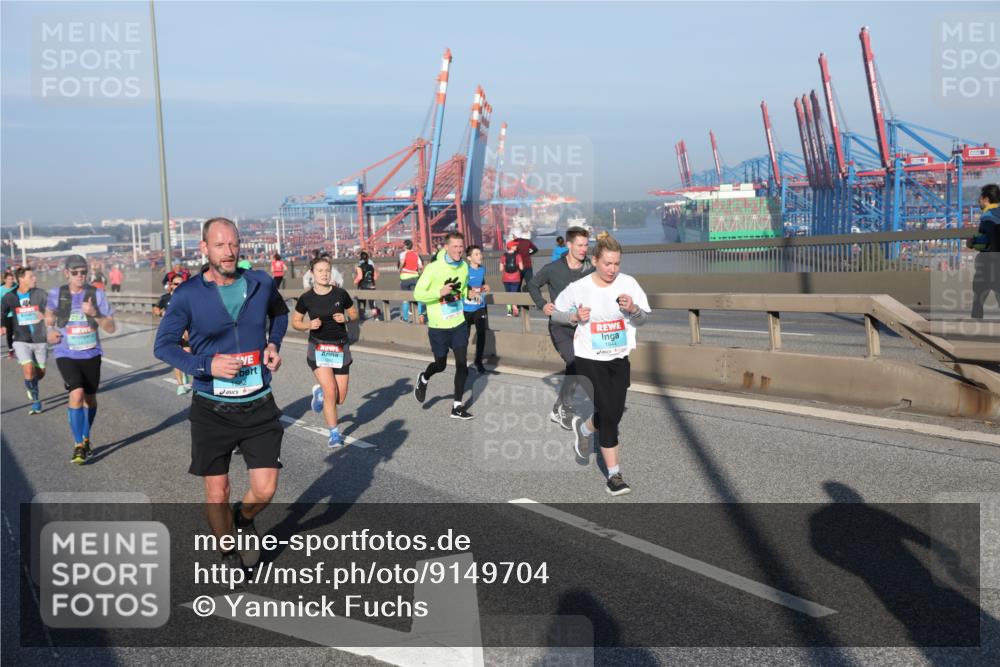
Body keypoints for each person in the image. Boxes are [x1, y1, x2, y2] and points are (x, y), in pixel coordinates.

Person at [154, 217, 288, 573]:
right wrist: (205, 365)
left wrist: (273, 343)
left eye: (234, 244)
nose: (229, 252)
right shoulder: (187, 295)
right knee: (217, 492)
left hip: (258, 403)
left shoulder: (259, 282)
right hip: (212, 408)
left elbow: (281, 314)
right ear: (204, 249)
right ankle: (227, 552)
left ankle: (243, 519)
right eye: (220, 245)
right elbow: (163, 346)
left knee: (264, 491)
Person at [552, 232, 650, 496]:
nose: (612, 269)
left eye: (617, 264)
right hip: (589, 359)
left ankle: (583, 429)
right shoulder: (580, 287)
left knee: (614, 412)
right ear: (595, 260)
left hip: (618, 358)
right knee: (609, 416)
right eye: (607, 263)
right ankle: (614, 476)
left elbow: (643, 319)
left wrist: (633, 310)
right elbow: (555, 313)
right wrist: (573, 316)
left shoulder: (628, 284)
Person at [44, 255, 117, 464]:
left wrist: (95, 313)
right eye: (75, 272)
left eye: (83, 272)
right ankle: (78, 445)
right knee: (75, 393)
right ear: (67, 273)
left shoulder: (97, 294)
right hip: (65, 353)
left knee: (90, 398)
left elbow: (111, 328)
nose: (80, 276)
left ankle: (86, 438)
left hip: (91, 353)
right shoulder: (57, 294)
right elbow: (49, 318)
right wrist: (49, 332)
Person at [528, 226, 594, 429]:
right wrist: (542, 304)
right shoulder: (553, 268)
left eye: (586, 245)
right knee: (575, 363)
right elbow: (532, 284)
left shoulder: (591, 268)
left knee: (580, 367)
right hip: (560, 326)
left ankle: (558, 408)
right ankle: (564, 407)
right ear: (569, 245)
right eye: (580, 245)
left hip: (583, 327)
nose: (584, 249)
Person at [292, 257, 358, 448]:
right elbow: (295, 322)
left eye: (327, 270)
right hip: (318, 347)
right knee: (331, 391)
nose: (324, 274)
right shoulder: (306, 298)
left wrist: (344, 318)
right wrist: (308, 325)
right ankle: (334, 434)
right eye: (320, 270)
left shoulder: (341, 294)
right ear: (312, 273)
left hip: (340, 346)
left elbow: (355, 315)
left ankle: (319, 392)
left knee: (340, 397)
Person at [413, 231, 473, 419]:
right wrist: (439, 292)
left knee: (462, 364)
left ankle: (457, 406)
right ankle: (424, 378)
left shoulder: (464, 266)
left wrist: (468, 294)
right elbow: (418, 294)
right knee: (441, 364)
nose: (459, 250)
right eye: (455, 246)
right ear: (446, 247)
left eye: (461, 247)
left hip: (458, 322)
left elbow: (462, 289)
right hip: (439, 325)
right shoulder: (433, 268)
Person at [1, 266, 49, 414]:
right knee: (28, 369)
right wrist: (2, 325)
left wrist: (46, 316)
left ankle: (32, 384)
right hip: (21, 338)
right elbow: (2, 312)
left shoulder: (41, 294)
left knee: (40, 373)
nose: (35, 278)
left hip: (40, 338)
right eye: (31, 277)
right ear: (21, 279)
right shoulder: (10, 296)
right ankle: (35, 401)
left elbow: (52, 310)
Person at [154, 274, 193, 394]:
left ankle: (186, 373)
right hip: (171, 332)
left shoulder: (189, 297)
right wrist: (162, 314)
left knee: (188, 354)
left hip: (186, 331)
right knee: (176, 356)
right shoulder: (165, 298)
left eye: (181, 283)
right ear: (171, 286)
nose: (179, 286)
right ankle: (181, 385)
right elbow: (155, 309)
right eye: (176, 284)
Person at [968, 183, 1000, 319]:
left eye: (980, 198)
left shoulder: (987, 216)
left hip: (989, 261)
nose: (979, 201)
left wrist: (972, 242)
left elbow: (985, 241)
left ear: (986, 199)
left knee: (978, 297)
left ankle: (975, 330)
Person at [463, 245, 492, 373]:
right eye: (476, 254)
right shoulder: (464, 271)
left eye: (480, 253)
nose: (480, 256)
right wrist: (468, 291)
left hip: (479, 306)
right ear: (469, 258)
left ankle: (478, 361)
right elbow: (461, 287)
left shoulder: (482, 269)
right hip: (465, 308)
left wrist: (485, 286)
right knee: (464, 337)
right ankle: (462, 363)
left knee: (481, 334)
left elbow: (481, 283)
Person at [398, 239, 425, 323]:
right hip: (415, 277)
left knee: (405, 299)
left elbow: (402, 263)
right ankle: (420, 315)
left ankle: (406, 318)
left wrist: (400, 269)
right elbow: (421, 267)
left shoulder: (403, 254)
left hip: (405, 278)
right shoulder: (416, 254)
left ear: (406, 246)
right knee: (418, 297)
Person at [353, 251, 380, 320]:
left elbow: (360, 277)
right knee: (372, 303)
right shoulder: (371, 266)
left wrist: (355, 281)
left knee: (362, 302)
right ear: (368, 259)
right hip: (372, 286)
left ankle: (362, 316)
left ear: (360, 259)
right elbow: (375, 277)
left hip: (363, 287)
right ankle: (376, 317)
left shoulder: (359, 267)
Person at [500, 241, 525, 317]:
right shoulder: (518, 256)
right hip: (516, 278)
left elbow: (501, 269)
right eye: (515, 246)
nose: (516, 247)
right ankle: (515, 307)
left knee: (508, 294)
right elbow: (521, 268)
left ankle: (509, 311)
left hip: (506, 278)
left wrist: (505, 266)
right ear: (511, 246)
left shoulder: (503, 256)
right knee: (514, 293)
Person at [2, 270, 17, 359]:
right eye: (9, 279)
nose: (11, 281)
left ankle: (19, 348)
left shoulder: (16, 287)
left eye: (12, 279)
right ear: (5, 280)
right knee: (9, 333)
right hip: (7, 316)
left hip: (17, 314)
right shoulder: (1, 290)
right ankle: (11, 350)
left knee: (19, 332)